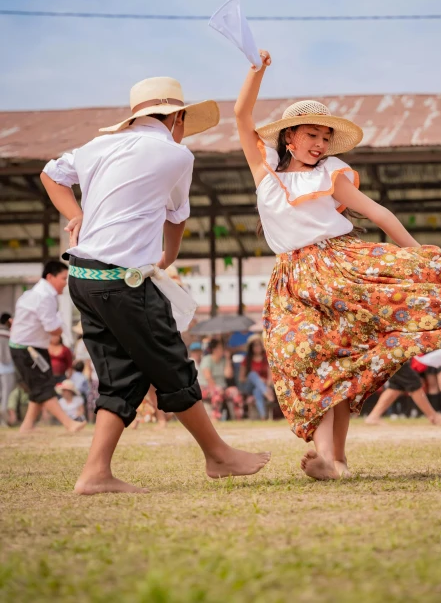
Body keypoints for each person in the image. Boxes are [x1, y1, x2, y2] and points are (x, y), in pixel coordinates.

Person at [234, 50, 441, 480]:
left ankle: (335, 460)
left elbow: (379, 215)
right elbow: (242, 115)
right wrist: (256, 71)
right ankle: (329, 460)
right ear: (289, 138)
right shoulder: (264, 170)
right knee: (308, 360)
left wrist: (418, 255)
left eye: (324, 137)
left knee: (338, 363)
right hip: (290, 282)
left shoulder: (332, 173)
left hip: (339, 269)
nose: (319, 144)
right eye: (311, 135)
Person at [41, 76, 270, 493]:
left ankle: (95, 473)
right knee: (172, 367)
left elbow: (51, 174)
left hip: (84, 279)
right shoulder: (176, 154)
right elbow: (177, 215)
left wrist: (75, 215)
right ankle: (218, 455)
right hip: (122, 281)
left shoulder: (95, 147)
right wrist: (168, 257)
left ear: (136, 115)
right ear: (177, 117)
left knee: (122, 377)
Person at [8, 261, 86, 434]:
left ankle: (27, 426)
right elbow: (53, 329)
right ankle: (68, 423)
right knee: (43, 387)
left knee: (40, 387)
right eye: (63, 278)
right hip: (26, 348)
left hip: (34, 347)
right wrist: (59, 326)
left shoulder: (40, 294)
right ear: (50, 277)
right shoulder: (43, 296)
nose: (65, 283)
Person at [365, 362, 441, 425]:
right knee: (413, 382)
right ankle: (434, 417)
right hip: (391, 352)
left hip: (389, 352)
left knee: (395, 386)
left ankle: (373, 416)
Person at [199, 339, 244, 420]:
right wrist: (217, 388)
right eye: (220, 348)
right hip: (206, 388)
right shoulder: (207, 359)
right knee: (217, 391)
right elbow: (208, 378)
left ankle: (238, 417)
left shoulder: (223, 361)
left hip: (222, 388)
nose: (223, 350)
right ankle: (215, 417)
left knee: (234, 391)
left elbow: (228, 375)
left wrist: (228, 359)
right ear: (214, 349)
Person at [239, 334, 274, 419]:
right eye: (255, 345)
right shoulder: (246, 360)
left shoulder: (266, 358)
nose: (257, 347)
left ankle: (263, 417)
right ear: (251, 347)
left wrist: (264, 382)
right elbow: (241, 378)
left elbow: (270, 377)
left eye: (259, 344)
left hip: (263, 386)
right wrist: (257, 380)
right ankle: (268, 395)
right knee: (252, 374)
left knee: (257, 391)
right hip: (248, 387)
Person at [0, 313, 16, 426]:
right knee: (6, 396)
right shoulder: (7, 335)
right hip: (7, 369)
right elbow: (6, 356)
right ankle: (4, 422)